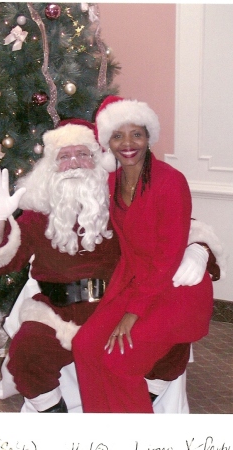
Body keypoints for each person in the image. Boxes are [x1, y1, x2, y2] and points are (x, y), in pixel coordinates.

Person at [0, 118, 224, 413]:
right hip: (57, 310)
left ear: (98, 160)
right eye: (64, 156)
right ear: (51, 166)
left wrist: (198, 249)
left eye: (83, 154)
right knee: (27, 354)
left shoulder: (120, 200)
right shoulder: (38, 213)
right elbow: (5, 262)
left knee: (175, 340)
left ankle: (139, 402)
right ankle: (56, 417)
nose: (74, 163)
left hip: (116, 306)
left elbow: (172, 227)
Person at [71, 95, 219, 413]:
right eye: (118, 134)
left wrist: (132, 312)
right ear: (107, 141)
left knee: (119, 360)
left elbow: (166, 258)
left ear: (148, 136)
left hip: (176, 292)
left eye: (136, 134)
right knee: (84, 346)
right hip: (136, 283)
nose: (128, 143)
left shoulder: (170, 183)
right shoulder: (111, 180)